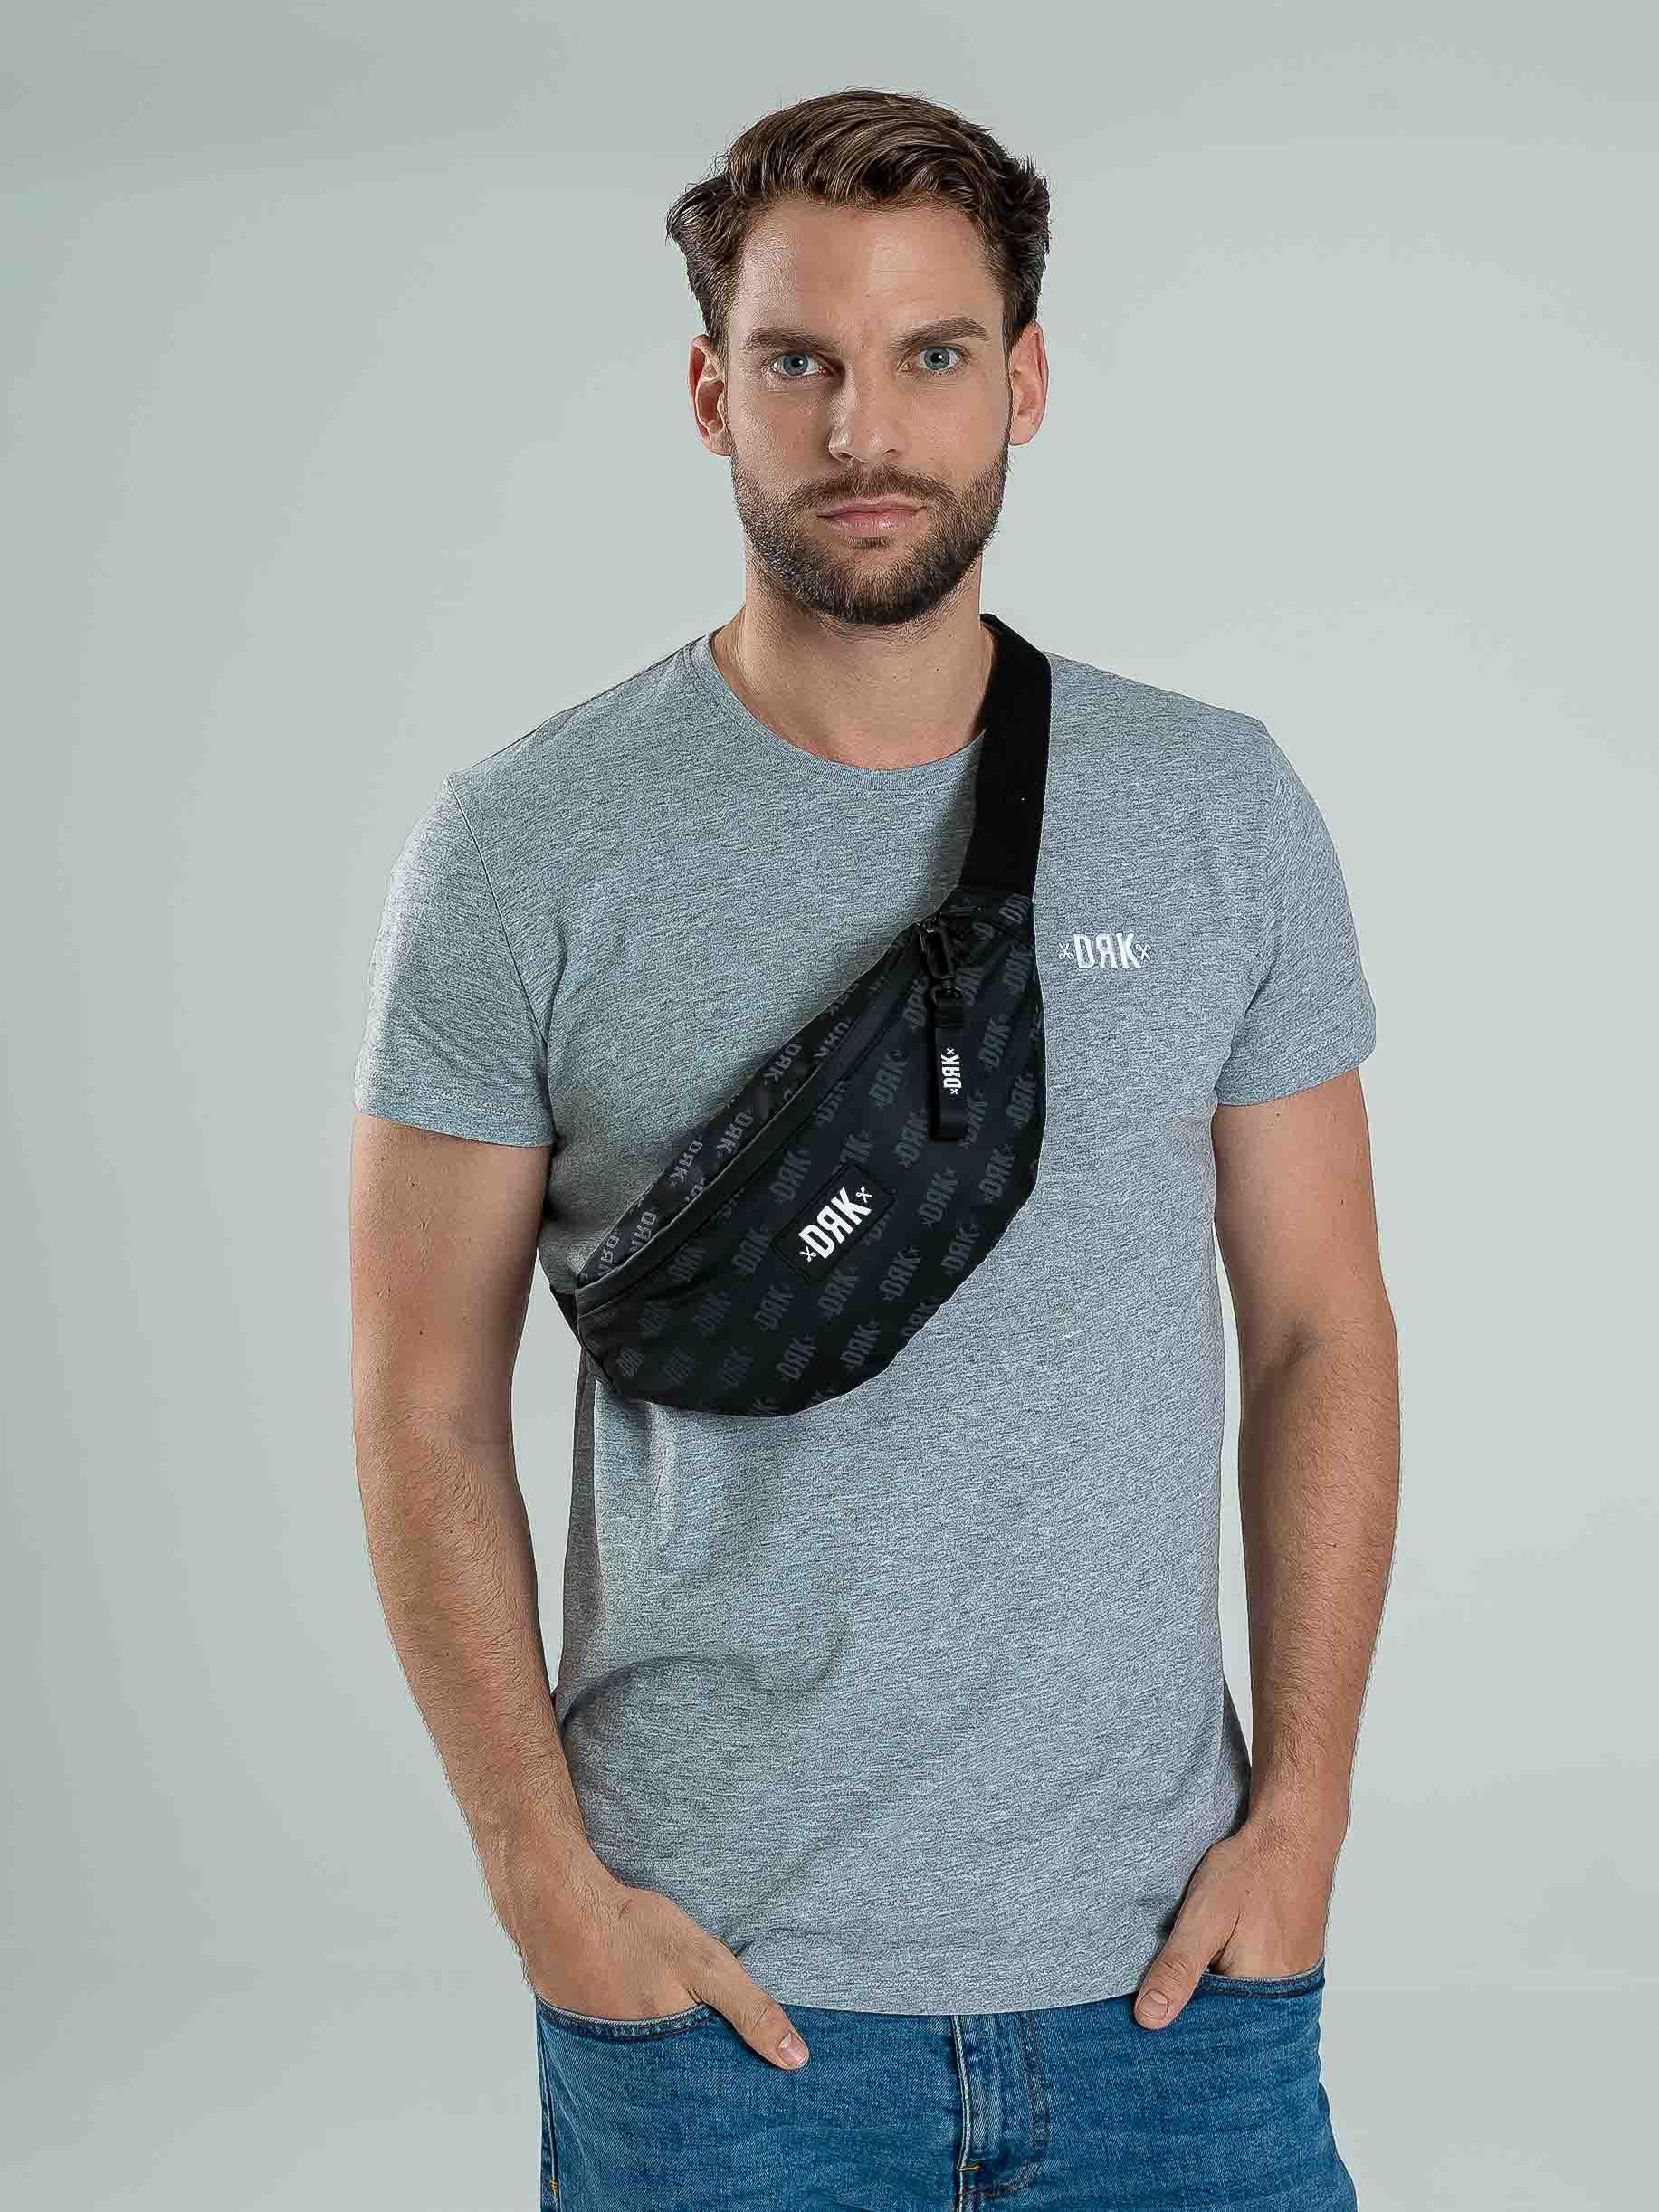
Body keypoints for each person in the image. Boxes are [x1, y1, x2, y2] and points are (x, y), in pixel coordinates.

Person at [348, 84, 1397, 2212]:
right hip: (713, 2008)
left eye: (929, 354)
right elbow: (418, 1397)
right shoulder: (525, 845)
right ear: (706, 394)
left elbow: (1319, 1333)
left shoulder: (1213, 808)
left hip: (1169, 1992)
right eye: (795, 362)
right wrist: (544, 1885)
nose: (863, 429)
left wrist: (1300, 1823)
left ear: (1022, 379)